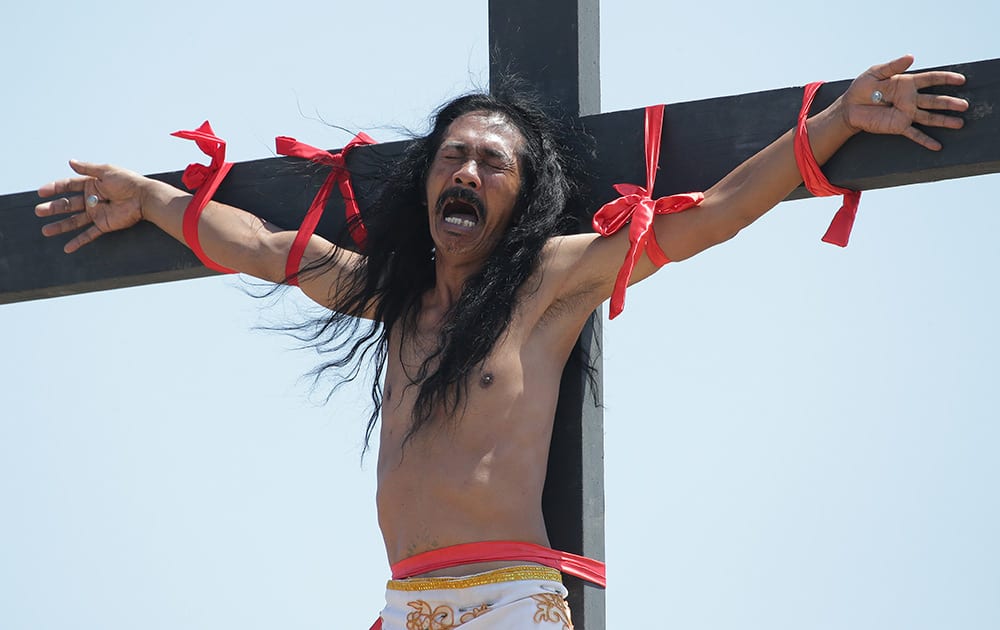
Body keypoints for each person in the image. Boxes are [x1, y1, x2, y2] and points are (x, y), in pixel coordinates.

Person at [34, 56, 967, 629]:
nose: (467, 167)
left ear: (521, 195)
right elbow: (267, 248)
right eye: (452, 154)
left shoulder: (550, 280)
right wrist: (154, 199)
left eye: (491, 161)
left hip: (510, 604)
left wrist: (840, 117)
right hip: (406, 605)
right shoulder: (388, 297)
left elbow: (715, 215)